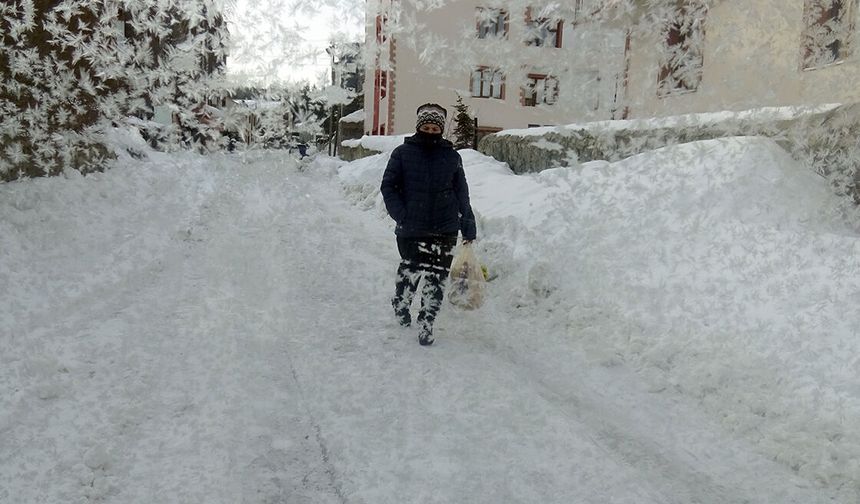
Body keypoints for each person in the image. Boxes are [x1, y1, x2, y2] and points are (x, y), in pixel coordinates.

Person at [380, 103, 477, 346]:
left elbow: (461, 192)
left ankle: (427, 321)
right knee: (410, 272)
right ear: (419, 127)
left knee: (437, 278)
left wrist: (467, 225)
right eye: (427, 126)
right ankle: (402, 303)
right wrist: (401, 215)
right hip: (411, 228)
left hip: (444, 228)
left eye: (435, 127)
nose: (431, 131)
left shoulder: (452, 157)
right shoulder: (402, 153)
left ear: (441, 130)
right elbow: (388, 186)